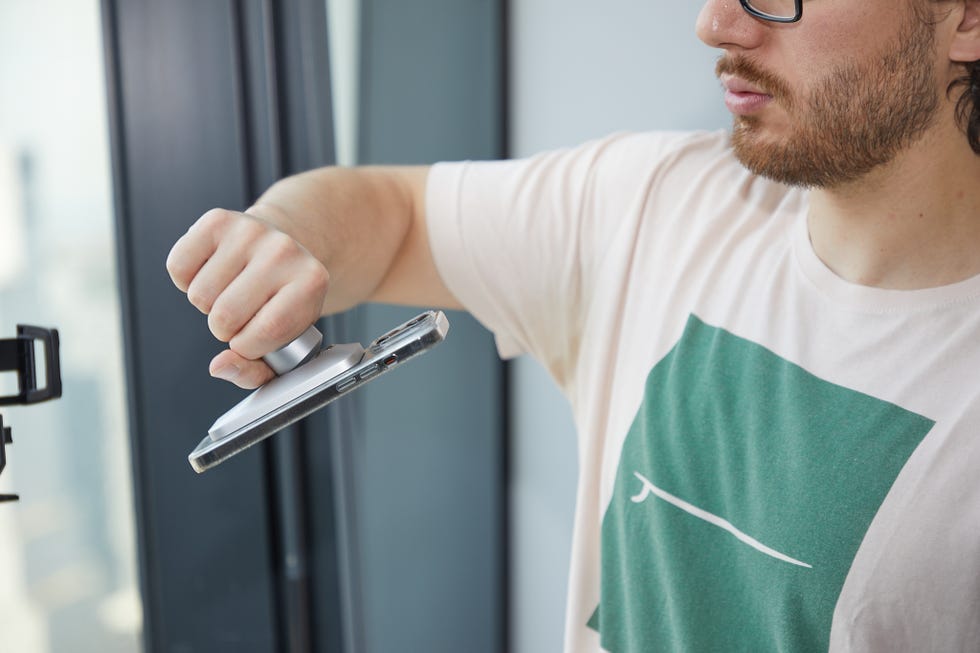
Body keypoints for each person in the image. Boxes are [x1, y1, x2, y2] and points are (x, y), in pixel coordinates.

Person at [167, 0, 980, 650]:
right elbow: (392, 211)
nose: (715, 23)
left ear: (966, 18)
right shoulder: (659, 201)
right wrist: (283, 242)